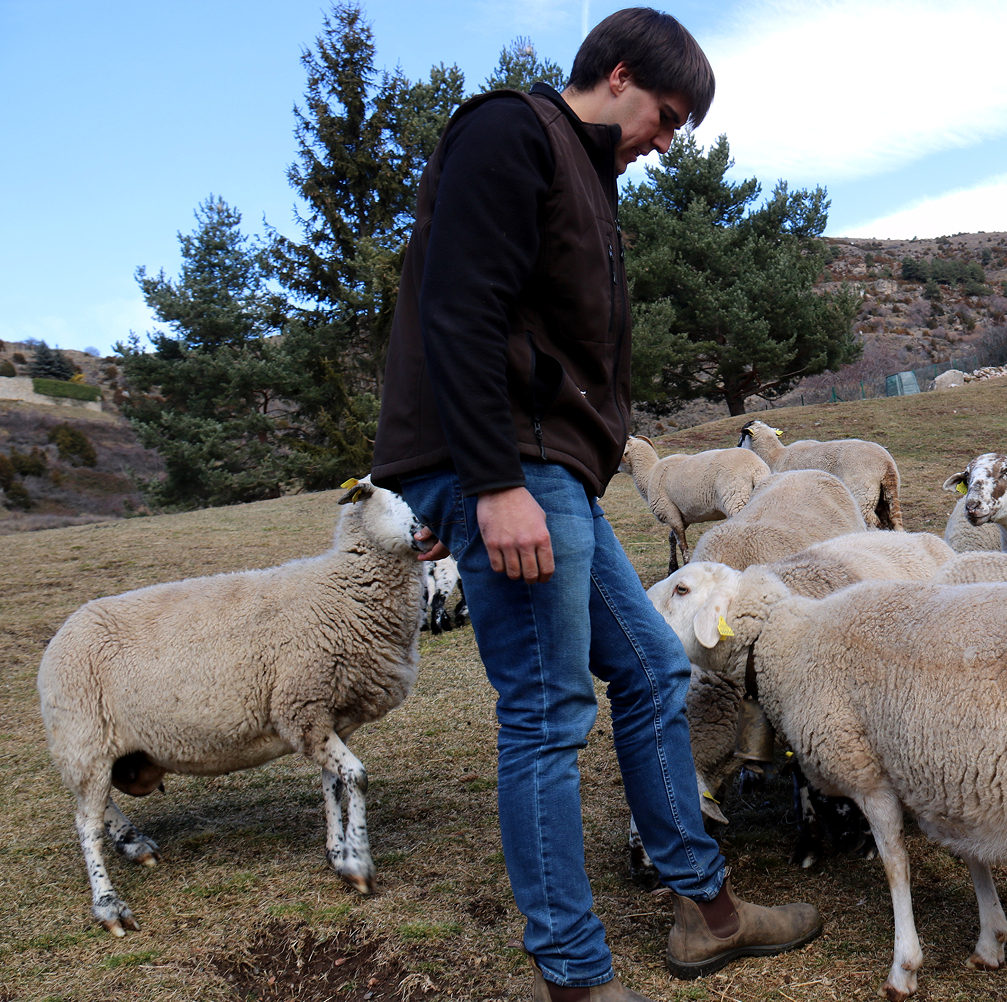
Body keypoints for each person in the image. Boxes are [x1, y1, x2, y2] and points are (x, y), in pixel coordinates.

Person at [370, 9, 822, 1001]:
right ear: (618, 75)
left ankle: (708, 912)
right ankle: (573, 977)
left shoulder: (589, 178)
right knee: (545, 711)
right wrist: (484, 482)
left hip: (549, 472)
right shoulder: (509, 132)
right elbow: (458, 311)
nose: (668, 141)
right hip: (512, 467)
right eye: (666, 116)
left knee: (658, 671)